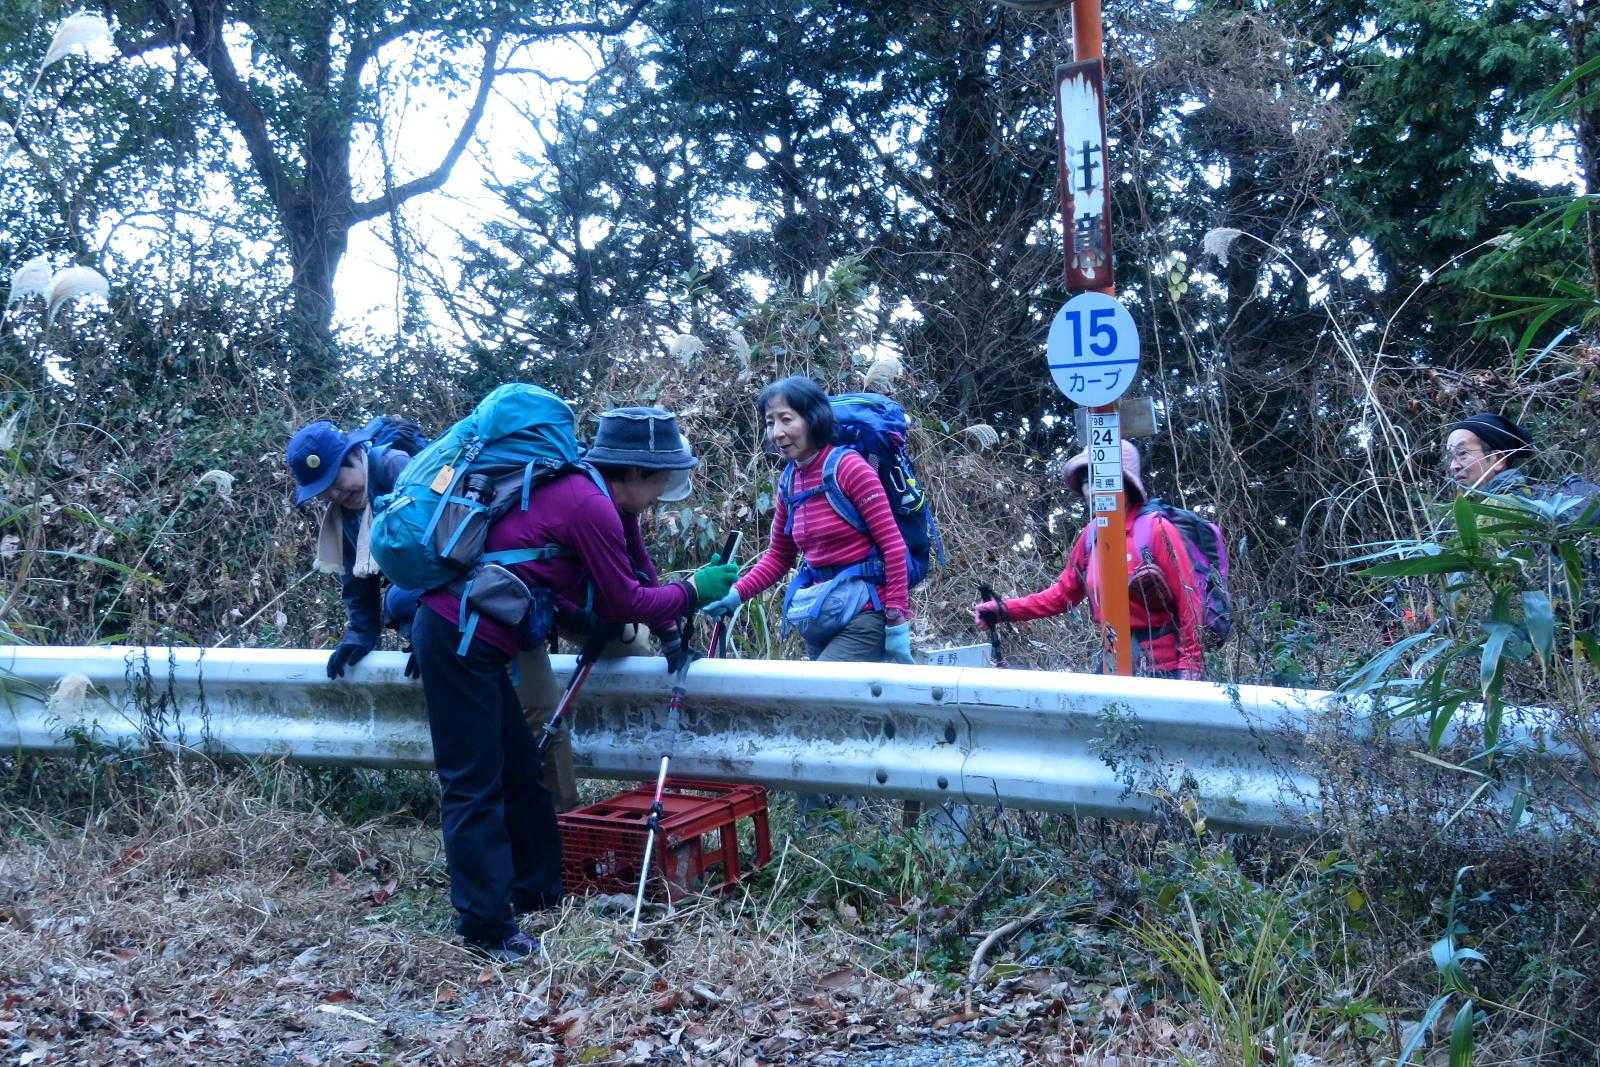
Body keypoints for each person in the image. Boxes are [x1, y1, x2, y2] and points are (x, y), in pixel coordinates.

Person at [412, 407, 737, 963]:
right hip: (456, 635)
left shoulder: (603, 497)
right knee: (474, 784)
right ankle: (486, 927)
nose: (661, 494)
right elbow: (624, 600)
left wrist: (670, 634)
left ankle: (539, 895)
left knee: (522, 771)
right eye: (660, 480)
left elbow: (640, 573)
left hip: (479, 640)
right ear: (633, 472)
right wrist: (694, 591)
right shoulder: (589, 504)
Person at [702, 375, 913, 664]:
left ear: (813, 419)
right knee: (823, 693)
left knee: (823, 690)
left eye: (786, 419)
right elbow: (779, 556)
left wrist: (896, 618)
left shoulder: (850, 469)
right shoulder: (789, 481)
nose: (777, 433)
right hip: (821, 613)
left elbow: (893, 545)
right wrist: (736, 595)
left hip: (866, 613)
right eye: (770, 422)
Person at [971, 439, 1206, 680]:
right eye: (1086, 482)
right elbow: (1062, 596)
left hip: (1164, 670)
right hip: (1113, 660)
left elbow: (1190, 600)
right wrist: (1002, 610)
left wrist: (1191, 666)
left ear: (1125, 483)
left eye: (1099, 480)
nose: (1091, 490)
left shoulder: (1155, 529)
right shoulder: (1091, 536)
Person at [286, 418, 426, 679]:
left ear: (354, 454)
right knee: (399, 601)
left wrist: (431, 629)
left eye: (335, 481)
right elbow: (356, 579)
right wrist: (359, 635)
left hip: (454, 585)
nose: (335, 495)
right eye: (324, 491)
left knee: (400, 599)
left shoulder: (395, 468)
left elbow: (443, 547)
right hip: (416, 595)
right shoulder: (346, 513)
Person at [1444, 412, 1535, 496]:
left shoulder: (1505, 504)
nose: (1453, 466)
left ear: (1498, 459)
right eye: (1450, 457)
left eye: (1462, 453)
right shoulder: (1481, 503)